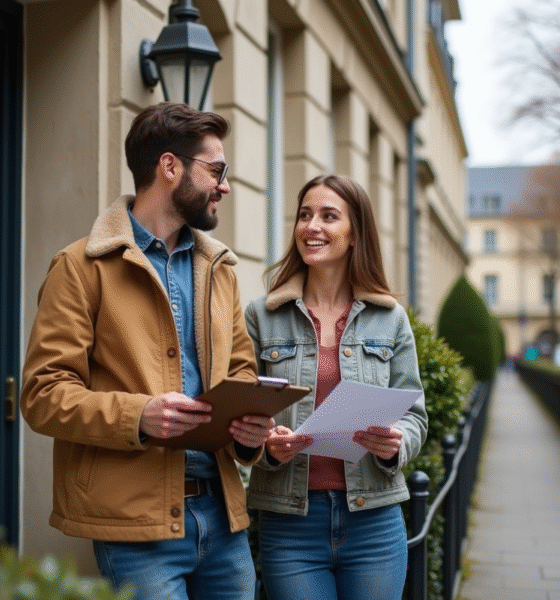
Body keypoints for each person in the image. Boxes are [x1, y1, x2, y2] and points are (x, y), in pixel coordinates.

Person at [21, 102, 275, 600]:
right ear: (169, 167)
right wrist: (139, 416)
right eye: (216, 170)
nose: (225, 185)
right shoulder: (80, 267)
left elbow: (242, 371)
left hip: (224, 522)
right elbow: (43, 394)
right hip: (135, 530)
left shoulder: (218, 268)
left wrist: (250, 433)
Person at [244, 175, 428, 600]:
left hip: (374, 522)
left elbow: (415, 414)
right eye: (305, 215)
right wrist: (267, 445)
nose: (313, 226)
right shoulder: (261, 316)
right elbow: (244, 412)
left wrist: (396, 444)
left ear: (354, 234)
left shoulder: (391, 319)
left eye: (329, 216)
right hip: (290, 523)